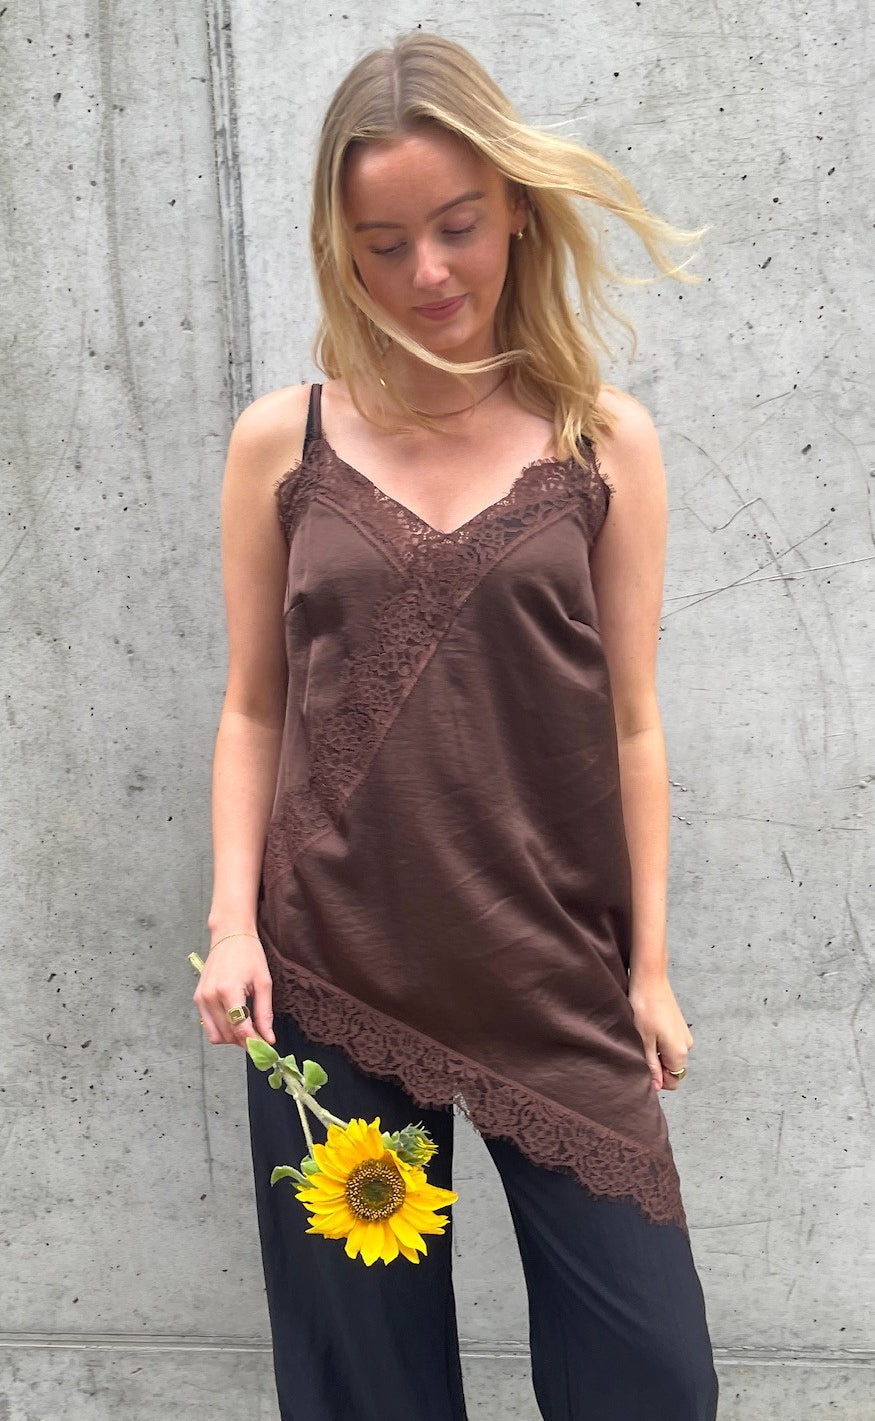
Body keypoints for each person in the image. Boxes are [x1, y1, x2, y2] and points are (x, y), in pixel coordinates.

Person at [194, 30, 719, 1421]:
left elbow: (632, 723)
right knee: (365, 1394)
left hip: (551, 973)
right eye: (384, 245)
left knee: (652, 1381)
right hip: (331, 972)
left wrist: (650, 966)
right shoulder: (282, 443)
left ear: (517, 210)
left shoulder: (602, 440)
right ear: (341, 250)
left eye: (457, 226)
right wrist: (236, 928)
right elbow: (253, 705)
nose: (427, 272)